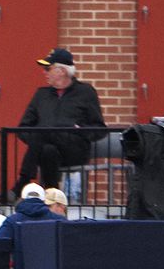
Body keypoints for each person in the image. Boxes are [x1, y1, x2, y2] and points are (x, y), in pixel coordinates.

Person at [13, 47, 106, 194]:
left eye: (48, 68)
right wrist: (36, 139)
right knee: (46, 147)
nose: (44, 72)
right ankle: (54, 195)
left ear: (62, 71)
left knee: (44, 132)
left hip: (74, 150)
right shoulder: (41, 94)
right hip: (47, 151)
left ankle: (22, 183)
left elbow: (99, 129)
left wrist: (79, 129)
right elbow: (24, 127)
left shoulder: (86, 92)